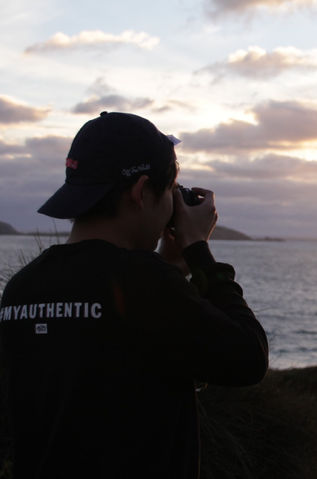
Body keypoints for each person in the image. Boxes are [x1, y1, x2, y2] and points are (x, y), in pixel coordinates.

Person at [0, 112, 269, 478]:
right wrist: (196, 250)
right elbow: (248, 357)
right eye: (170, 192)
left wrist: (170, 270)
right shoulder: (143, 281)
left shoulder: (22, 288)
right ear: (141, 192)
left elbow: (116, 361)